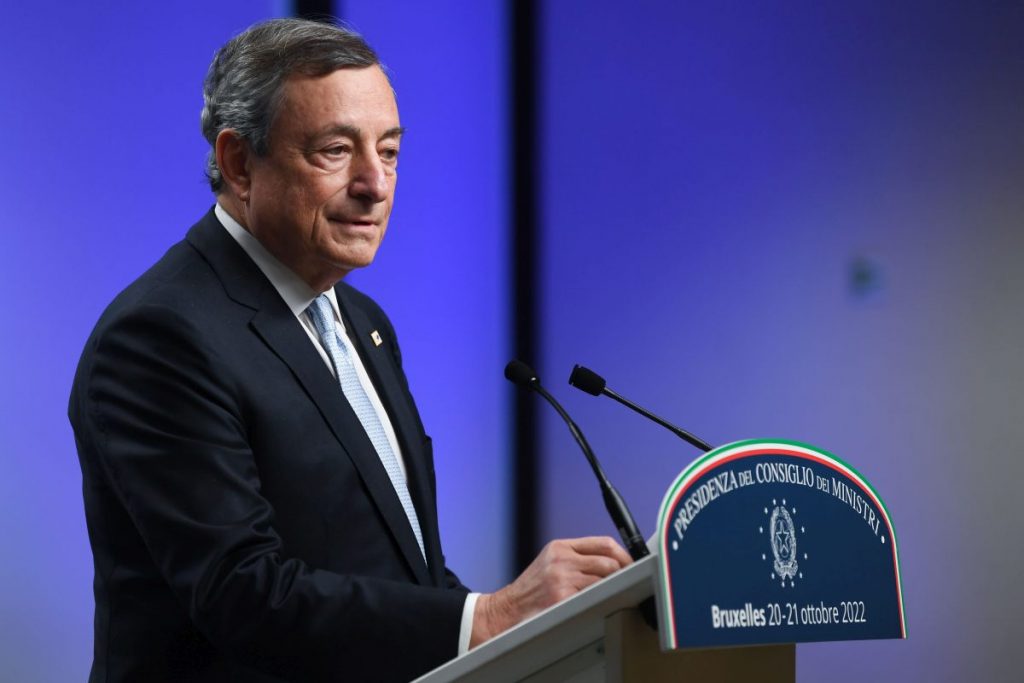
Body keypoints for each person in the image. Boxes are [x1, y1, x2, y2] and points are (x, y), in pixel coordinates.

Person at [68, 17, 631, 682]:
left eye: (388, 151)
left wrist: (520, 621)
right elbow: (242, 593)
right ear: (239, 162)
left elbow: (401, 570)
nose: (375, 183)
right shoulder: (161, 336)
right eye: (336, 150)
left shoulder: (362, 321)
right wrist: (485, 616)